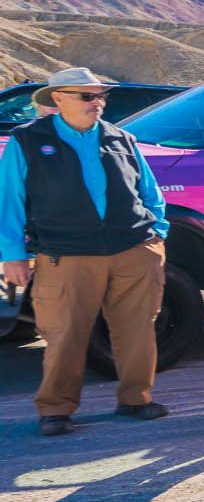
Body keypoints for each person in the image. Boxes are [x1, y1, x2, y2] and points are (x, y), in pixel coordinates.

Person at [0, 67, 170, 436]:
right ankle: (56, 411)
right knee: (64, 334)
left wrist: (156, 234)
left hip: (134, 251)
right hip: (66, 255)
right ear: (58, 99)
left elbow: (149, 190)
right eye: (87, 96)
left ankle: (136, 400)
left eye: (100, 96)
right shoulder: (28, 141)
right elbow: (9, 199)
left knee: (137, 331)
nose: (98, 103)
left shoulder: (121, 138)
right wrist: (11, 253)